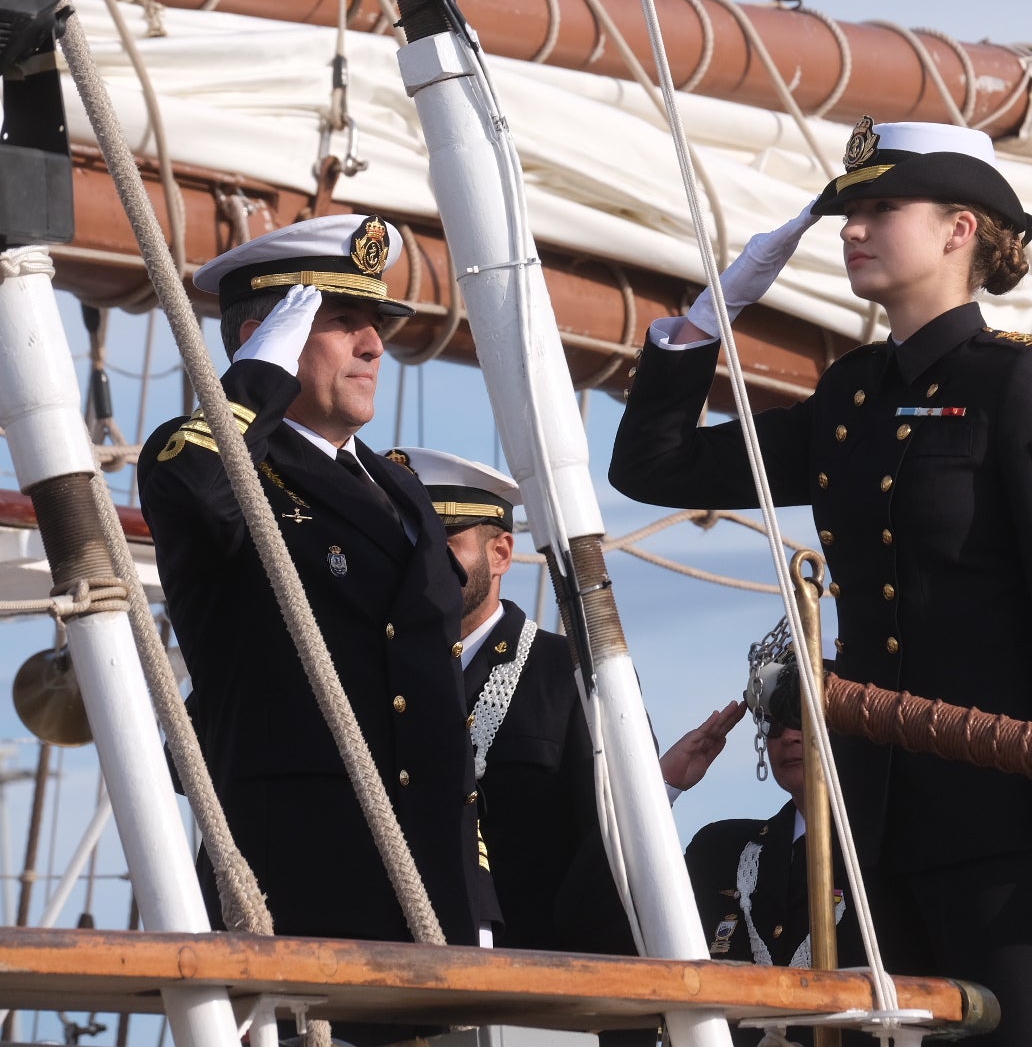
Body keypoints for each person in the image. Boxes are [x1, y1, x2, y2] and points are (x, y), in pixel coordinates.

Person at [609, 119, 1032, 1046]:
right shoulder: (852, 396)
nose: (851, 230)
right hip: (876, 822)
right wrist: (701, 325)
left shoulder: (1022, 384)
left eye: (882, 209)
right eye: (849, 212)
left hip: (1007, 816)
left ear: (959, 229)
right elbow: (656, 466)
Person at [138, 215, 497, 949]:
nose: (374, 346)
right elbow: (200, 482)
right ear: (263, 340)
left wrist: (477, 898)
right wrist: (254, 381)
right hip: (297, 880)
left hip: (433, 889)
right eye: (341, 323)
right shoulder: (210, 465)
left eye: (377, 325)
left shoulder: (403, 494)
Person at [387, 445, 634, 954]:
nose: (419, 564)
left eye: (442, 543)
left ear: (501, 553)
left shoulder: (568, 678)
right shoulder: (368, 675)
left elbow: (612, 849)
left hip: (534, 989)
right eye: (405, 544)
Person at [681, 716, 865, 1047]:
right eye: (776, 723)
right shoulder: (720, 850)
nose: (790, 737)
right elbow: (595, 919)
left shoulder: (893, 855)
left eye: (808, 719)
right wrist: (663, 785)